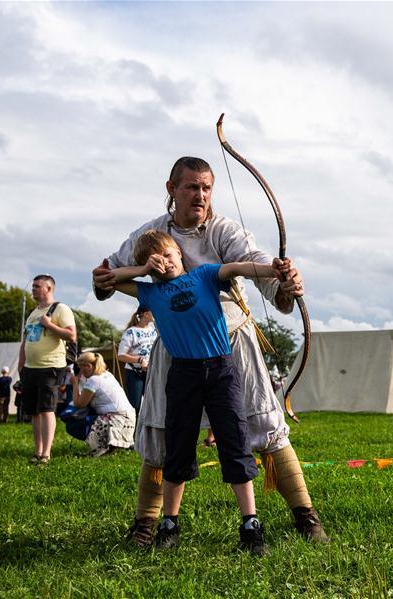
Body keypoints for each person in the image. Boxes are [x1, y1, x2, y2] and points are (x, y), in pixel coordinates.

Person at [92, 156, 327, 546]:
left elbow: (253, 263)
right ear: (172, 189)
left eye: (206, 188)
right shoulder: (148, 235)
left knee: (263, 427)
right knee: (162, 432)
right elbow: (108, 275)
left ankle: (305, 514)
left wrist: (283, 280)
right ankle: (149, 523)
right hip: (176, 347)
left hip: (230, 340)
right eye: (191, 187)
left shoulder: (224, 230)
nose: (200, 195)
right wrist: (103, 279)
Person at [106, 229, 292, 554]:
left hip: (221, 370)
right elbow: (110, 280)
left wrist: (272, 269)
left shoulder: (204, 275)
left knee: (234, 442)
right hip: (183, 375)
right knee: (177, 447)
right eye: (156, 260)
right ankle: (169, 523)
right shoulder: (149, 294)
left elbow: (236, 268)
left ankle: (250, 524)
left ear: (180, 253)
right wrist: (143, 270)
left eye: (168, 254)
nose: (164, 262)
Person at [18, 274, 77, 465]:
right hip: (30, 368)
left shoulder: (60, 309)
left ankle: (46, 453)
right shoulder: (34, 312)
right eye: (33, 286)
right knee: (34, 411)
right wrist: (21, 364)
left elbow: (71, 335)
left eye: (37, 286)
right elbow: (26, 340)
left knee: (46, 409)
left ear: (49, 288)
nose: (33, 289)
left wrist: (49, 325)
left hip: (50, 366)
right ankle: (37, 451)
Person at [71, 352, 137, 457]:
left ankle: (100, 448)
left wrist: (75, 384)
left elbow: (79, 404)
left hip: (117, 418)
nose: (81, 372)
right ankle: (116, 445)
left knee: (76, 421)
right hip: (129, 417)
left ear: (88, 366)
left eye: (82, 368)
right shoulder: (107, 374)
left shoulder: (93, 380)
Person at [117, 307, 157, 413]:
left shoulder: (154, 330)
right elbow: (120, 355)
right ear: (145, 314)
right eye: (152, 311)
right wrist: (140, 360)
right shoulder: (131, 332)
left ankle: (149, 429)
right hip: (134, 373)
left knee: (154, 406)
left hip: (151, 372)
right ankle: (133, 429)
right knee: (135, 406)